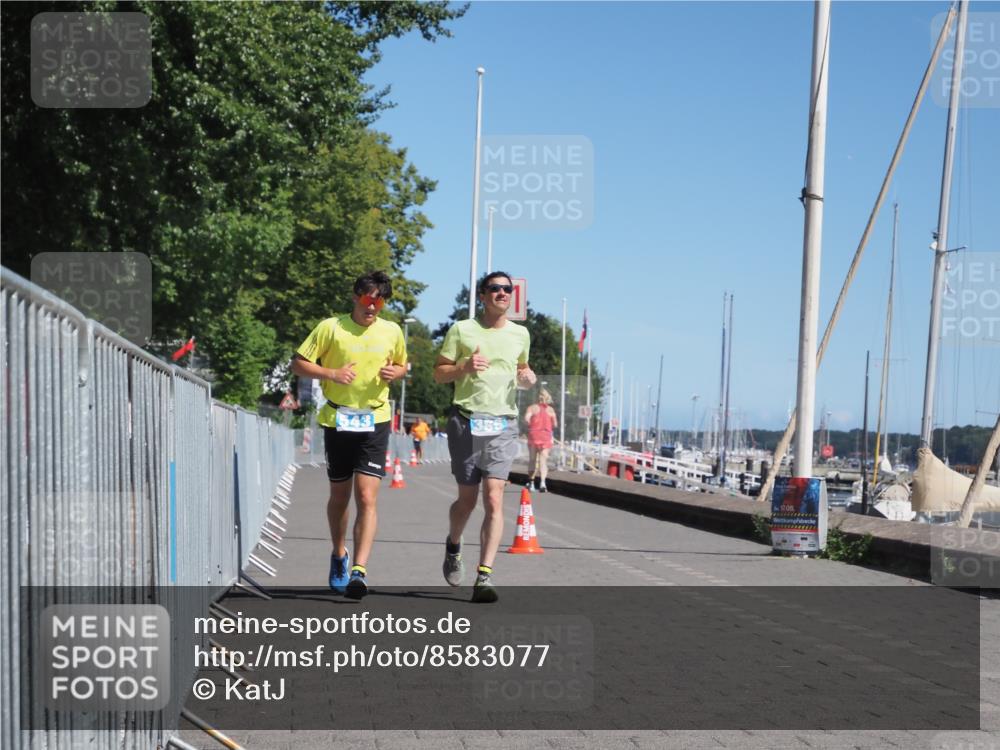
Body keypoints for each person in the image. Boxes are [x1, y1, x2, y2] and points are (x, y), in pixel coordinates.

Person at [290, 271, 407, 599]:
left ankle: (359, 569)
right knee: (339, 497)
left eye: (380, 300)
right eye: (368, 298)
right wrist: (331, 373)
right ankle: (339, 554)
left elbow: (403, 364)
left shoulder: (392, 330)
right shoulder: (331, 327)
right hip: (337, 417)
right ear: (356, 296)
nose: (373, 306)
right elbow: (298, 364)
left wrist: (396, 371)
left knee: (367, 496)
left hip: (376, 418)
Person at [434, 271, 536, 603]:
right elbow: (438, 373)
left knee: (494, 497)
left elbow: (522, 368)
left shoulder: (521, 333)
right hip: (465, 422)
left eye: (507, 290)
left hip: (502, 424)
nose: (502, 294)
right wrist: (463, 367)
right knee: (466, 501)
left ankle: (484, 576)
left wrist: (526, 374)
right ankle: (453, 543)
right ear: (482, 295)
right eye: (495, 289)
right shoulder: (462, 330)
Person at [524, 389, 557, 492]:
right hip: (545, 436)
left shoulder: (531, 408)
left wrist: (531, 424)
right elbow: (555, 424)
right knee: (543, 461)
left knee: (532, 460)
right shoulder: (551, 410)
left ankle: (532, 483)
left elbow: (526, 419)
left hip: (534, 435)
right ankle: (543, 483)